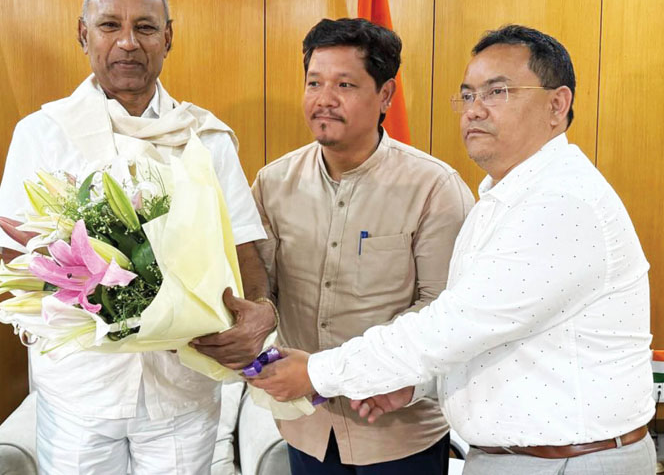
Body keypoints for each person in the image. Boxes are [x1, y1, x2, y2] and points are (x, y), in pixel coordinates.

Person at [251, 25, 656, 474]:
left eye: (496, 92)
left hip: (567, 461)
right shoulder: (505, 198)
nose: (474, 111)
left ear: (556, 105)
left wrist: (318, 373)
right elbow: (485, 339)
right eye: (467, 96)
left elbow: (451, 325)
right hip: (519, 457)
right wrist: (416, 384)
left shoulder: (559, 203)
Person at [0, 0, 272, 474]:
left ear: (168, 37)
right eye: (109, 25)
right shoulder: (43, 133)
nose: (127, 42)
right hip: (79, 388)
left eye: (144, 27)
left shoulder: (205, 136)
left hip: (181, 386)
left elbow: (243, 247)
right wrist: (89, 305)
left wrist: (259, 312)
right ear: (82, 34)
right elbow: (15, 252)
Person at [251, 17, 473, 474]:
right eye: (314, 82)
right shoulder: (272, 183)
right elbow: (262, 292)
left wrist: (349, 371)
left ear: (386, 94)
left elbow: (443, 310)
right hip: (307, 426)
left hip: (397, 430)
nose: (324, 99)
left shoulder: (433, 187)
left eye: (345, 84)